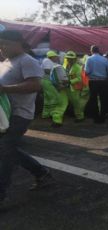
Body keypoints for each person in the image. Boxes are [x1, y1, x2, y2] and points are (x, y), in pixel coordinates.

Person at [0, 30, 54, 203]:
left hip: (20, 115)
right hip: (4, 115)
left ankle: (1, 194)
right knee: (7, 150)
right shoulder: (5, 62)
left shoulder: (27, 61)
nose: (2, 47)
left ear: (17, 43)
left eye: (5, 43)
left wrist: (5, 89)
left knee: (5, 151)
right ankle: (41, 173)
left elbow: (35, 85)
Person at [84, 45, 108, 123]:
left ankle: (96, 118)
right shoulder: (105, 59)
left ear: (91, 51)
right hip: (103, 82)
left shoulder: (89, 59)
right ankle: (102, 117)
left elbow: (87, 72)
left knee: (94, 100)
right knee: (103, 99)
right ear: (98, 50)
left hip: (93, 81)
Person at [64, 51, 89, 123]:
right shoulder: (67, 66)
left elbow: (79, 78)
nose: (69, 60)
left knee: (77, 103)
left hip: (75, 88)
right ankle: (77, 115)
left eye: (71, 59)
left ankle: (80, 117)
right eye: (68, 58)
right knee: (73, 103)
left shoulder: (77, 67)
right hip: (70, 87)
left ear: (74, 59)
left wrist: (70, 81)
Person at [40, 50, 61, 119]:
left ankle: (46, 114)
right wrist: (56, 74)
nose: (56, 58)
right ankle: (52, 113)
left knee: (48, 99)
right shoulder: (47, 61)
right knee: (54, 97)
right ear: (51, 57)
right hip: (47, 81)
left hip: (47, 81)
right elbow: (47, 70)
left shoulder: (51, 62)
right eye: (55, 57)